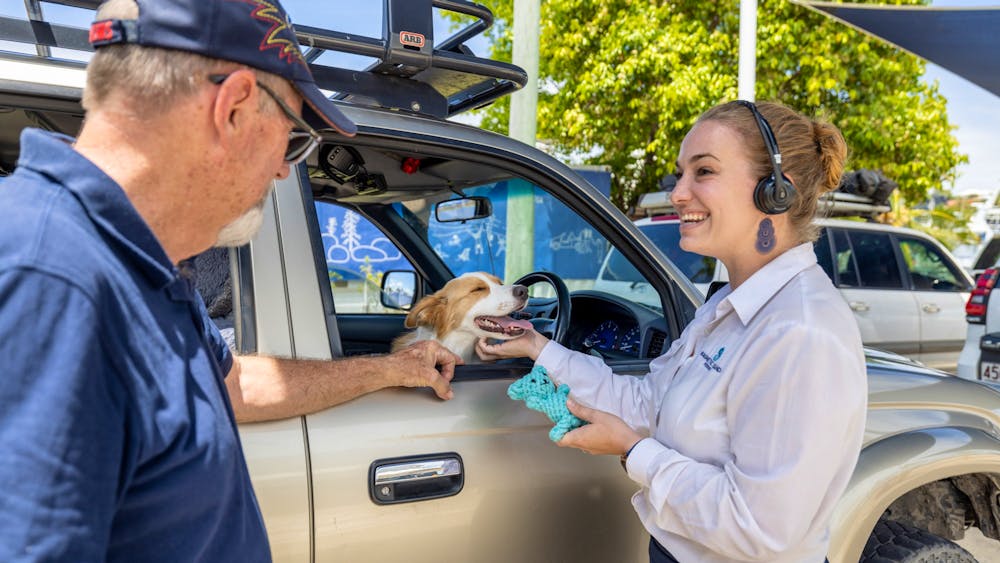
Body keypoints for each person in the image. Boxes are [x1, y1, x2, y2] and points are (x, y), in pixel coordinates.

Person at [0, 0, 459, 560]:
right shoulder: (45, 279)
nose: (283, 169)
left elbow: (231, 385)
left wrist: (391, 368)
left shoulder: (137, 262)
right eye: (291, 138)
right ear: (235, 106)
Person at [477, 100, 867, 562]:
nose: (679, 193)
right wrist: (537, 346)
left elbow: (761, 531)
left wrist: (633, 451)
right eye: (680, 174)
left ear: (777, 191)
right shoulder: (725, 306)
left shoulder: (799, 330)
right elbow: (648, 404)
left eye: (703, 172)